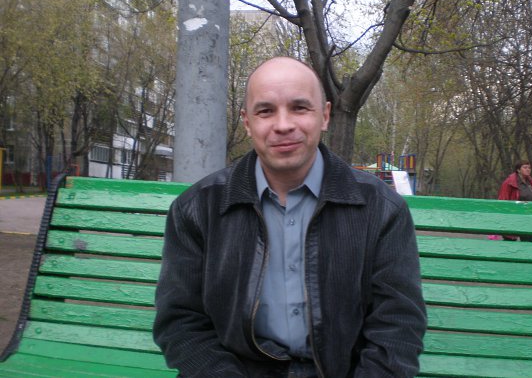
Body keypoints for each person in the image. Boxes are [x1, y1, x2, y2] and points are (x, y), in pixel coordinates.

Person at [153, 57, 427, 378]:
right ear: (247, 122)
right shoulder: (197, 209)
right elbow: (181, 321)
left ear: (324, 115)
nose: (283, 125)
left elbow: (397, 326)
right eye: (265, 111)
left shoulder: (381, 209)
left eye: (299, 108)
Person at [497, 160, 532, 242]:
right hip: (513, 218)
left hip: (528, 218)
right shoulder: (509, 182)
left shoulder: (531, 183)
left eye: (529, 168)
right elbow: (502, 201)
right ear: (518, 170)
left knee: (529, 244)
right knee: (510, 244)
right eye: (525, 167)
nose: (528, 169)